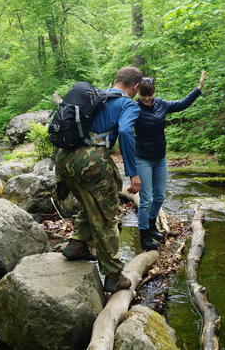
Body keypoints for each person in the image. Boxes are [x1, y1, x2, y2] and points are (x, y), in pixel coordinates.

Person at [55, 66, 143, 293]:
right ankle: (113, 276)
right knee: (106, 216)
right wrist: (133, 172)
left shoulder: (96, 96)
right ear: (135, 87)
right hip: (91, 160)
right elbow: (125, 132)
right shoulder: (128, 104)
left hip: (64, 159)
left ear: (115, 81)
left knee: (89, 202)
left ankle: (76, 245)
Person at [135, 71, 206, 250]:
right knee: (146, 199)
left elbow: (182, 104)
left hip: (160, 158)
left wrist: (198, 89)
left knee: (159, 196)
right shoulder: (134, 108)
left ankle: (151, 226)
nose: (146, 98)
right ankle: (143, 236)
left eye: (149, 94)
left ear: (154, 92)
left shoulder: (161, 104)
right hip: (143, 158)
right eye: (143, 95)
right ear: (138, 93)